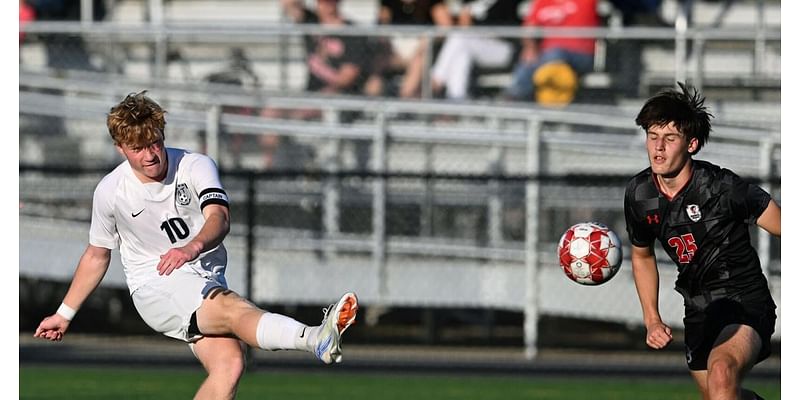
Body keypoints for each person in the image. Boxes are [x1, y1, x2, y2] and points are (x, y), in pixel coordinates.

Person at [33, 91, 360, 399]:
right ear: (120, 148)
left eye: (155, 143)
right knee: (232, 309)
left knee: (229, 366)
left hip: (203, 278)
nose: (150, 155)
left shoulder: (195, 165)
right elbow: (96, 255)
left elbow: (218, 217)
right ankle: (314, 338)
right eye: (138, 148)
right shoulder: (110, 191)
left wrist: (193, 246)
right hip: (155, 286)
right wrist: (65, 313)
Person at [623, 82, 779, 400]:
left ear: (691, 144)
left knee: (722, 373)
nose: (658, 148)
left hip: (745, 302)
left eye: (669, 138)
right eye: (652, 137)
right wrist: (652, 319)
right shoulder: (640, 195)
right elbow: (642, 256)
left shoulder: (722, 188)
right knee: (721, 395)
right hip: (699, 310)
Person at [263, 0, 372, 170]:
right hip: (310, 96)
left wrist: (313, 101)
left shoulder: (352, 32)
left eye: (329, 2)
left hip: (340, 99)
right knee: (271, 111)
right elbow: (287, 3)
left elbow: (347, 78)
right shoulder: (311, 22)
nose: (325, 6)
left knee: (329, 97)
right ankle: (268, 169)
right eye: (321, 2)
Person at [503, 0, 600, 105]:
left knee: (555, 54)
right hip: (547, 56)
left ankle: (518, 99)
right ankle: (511, 100)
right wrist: (530, 49)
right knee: (529, 63)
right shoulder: (542, 2)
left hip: (580, 55)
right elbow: (530, 27)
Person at [430, 0, 524, 101]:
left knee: (459, 36)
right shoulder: (468, 3)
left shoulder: (505, 3)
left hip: (505, 48)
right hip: (475, 46)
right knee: (462, 57)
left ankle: (437, 78)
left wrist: (467, 23)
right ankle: (456, 102)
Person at [368, 0, 453, 99]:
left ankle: (404, 102)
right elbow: (382, 28)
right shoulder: (390, 4)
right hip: (396, 51)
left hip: (423, 51)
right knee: (380, 62)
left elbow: (446, 28)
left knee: (418, 61)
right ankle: (370, 102)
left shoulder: (432, 3)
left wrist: (429, 38)